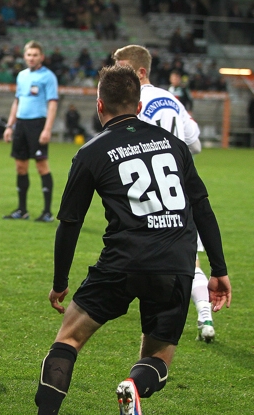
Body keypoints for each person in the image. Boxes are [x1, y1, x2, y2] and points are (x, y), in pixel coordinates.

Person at [6, 64, 231, 415]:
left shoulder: (92, 151)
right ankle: (134, 387)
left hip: (123, 261)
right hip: (177, 263)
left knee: (69, 339)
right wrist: (219, 270)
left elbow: (70, 223)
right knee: (157, 357)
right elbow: (203, 208)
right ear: (139, 103)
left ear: (99, 105)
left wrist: (61, 282)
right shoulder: (174, 145)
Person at [113, 45, 216, 342]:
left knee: (143, 265)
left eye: (122, 68)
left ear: (140, 71)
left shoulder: (131, 102)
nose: (117, 74)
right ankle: (204, 315)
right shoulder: (171, 100)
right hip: (179, 191)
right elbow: (194, 143)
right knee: (189, 260)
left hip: (144, 194)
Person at [2, 40, 58, 222]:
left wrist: (47, 129)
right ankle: (22, 210)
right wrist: (10, 126)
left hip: (38, 124)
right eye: (29, 55)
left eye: (35, 55)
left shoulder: (48, 77)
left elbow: (52, 104)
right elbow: (17, 101)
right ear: (24, 56)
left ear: (41, 57)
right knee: (20, 167)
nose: (32, 58)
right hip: (21, 124)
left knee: (41, 166)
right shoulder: (22, 76)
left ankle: (47, 212)